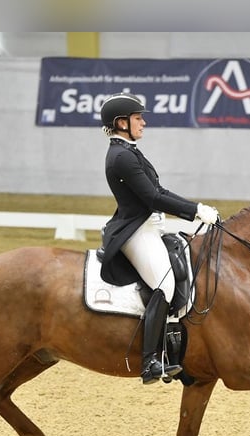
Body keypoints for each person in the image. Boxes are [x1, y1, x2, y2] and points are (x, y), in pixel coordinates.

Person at [98, 92, 219, 384]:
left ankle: (181, 349)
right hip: (135, 231)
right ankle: (151, 361)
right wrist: (195, 210)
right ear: (121, 122)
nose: (144, 122)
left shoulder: (130, 151)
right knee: (163, 284)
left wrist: (196, 211)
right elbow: (153, 197)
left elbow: (159, 191)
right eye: (138, 118)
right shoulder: (122, 156)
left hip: (152, 226)